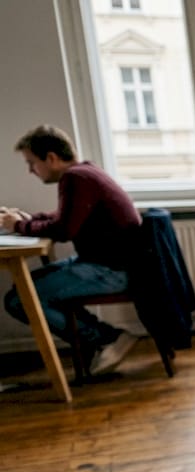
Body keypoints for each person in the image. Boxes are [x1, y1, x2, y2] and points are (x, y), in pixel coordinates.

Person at [1, 125, 142, 375]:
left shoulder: (75, 178)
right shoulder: (86, 171)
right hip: (108, 263)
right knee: (25, 290)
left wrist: (20, 225)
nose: (31, 171)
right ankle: (100, 338)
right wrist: (26, 219)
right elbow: (63, 218)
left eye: (31, 163)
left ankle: (106, 338)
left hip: (110, 270)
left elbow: (64, 230)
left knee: (19, 299)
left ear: (52, 158)